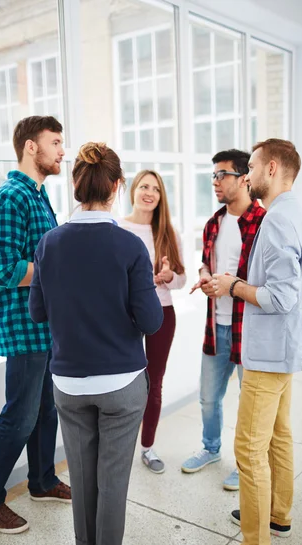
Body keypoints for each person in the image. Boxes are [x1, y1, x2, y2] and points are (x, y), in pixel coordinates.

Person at [29, 142, 163, 545]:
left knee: (82, 471)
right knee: (112, 475)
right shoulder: (129, 246)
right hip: (122, 382)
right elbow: (150, 320)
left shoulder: (49, 244)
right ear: (118, 186)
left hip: (67, 381)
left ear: (75, 185)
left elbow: (38, 312)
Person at [203, 139, 302, 545]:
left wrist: (234, 286)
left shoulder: (276, 222)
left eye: (249, 167)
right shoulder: (298, 214)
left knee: (249, 449)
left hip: (271, 352)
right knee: (280, 434)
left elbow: (281, 297)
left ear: (272, 167)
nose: (246, 175)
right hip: (284, 348)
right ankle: (278, 515)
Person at [0, 116, 71, 534]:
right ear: (31, 147)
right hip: (23, 327)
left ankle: (42, 480)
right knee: (20, 416)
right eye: (55, 142)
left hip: (46, 325)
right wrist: (61, 268)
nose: (62, 151)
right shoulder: (9, 199)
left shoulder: (37, 195)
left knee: (47, 410)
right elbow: (7, 271)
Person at [181, 150, 265, 490]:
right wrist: (205, 275)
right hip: (216, 326)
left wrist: (232, 284)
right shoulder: (214, 222)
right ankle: (211, 449)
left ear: (245, 177)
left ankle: (245, 465)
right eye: (213, 176)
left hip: (250, 328)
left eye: (222, 175)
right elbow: (205, 262)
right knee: (208, 397)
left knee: (251, 402)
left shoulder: (263, 221)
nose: (215, 182)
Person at [120, 170, 186, 474]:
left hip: (162, 312)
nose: (149, 193)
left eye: (156, 189)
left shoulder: (168, 232)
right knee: (125, 382)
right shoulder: (117, 228)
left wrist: (170, 277)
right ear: (133, 190)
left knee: (154, 382)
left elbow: (182, 279)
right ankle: (122, 443)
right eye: (144, 186)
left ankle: (147, 447)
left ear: (161, 197)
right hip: (124, 314)